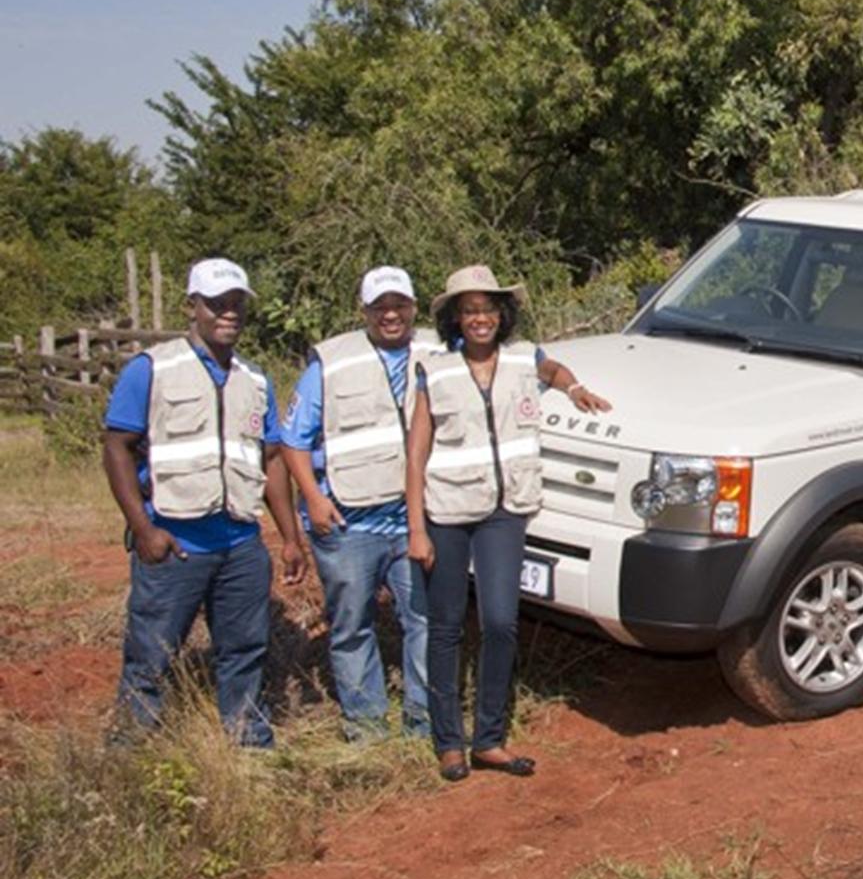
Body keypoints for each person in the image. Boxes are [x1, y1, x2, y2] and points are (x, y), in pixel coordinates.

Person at [404, 264, 610, 781]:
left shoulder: (523, 358)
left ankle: (489, 740)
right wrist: (416, 529)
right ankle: (449, 743)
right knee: (446, 627)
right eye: (469, 310)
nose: (480, 319)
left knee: (500, 622)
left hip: (504, 511)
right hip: (447, 513)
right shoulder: (435, 369)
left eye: (488, 309)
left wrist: (574, 387)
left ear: (502, 314)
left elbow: (552, 369)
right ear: (456, 318)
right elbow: (416, 453)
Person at [101, 257, 308, 746]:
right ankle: (131, 749)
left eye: (237, 304)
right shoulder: (152, 369)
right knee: (151, 654)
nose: (228, 313)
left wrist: (290, 537)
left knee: (244, 650)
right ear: (191, 306)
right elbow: (117, 447)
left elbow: (271, 459)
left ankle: (247, 742)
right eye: (216, 303)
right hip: (175, 543)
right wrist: (144, 529)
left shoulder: (254, 379)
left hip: (240, 543)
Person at [278, 266, 440, 741]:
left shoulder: (437, 351)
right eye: (379, 307)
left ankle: (423, 720)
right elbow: (293, 440)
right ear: (363, 311)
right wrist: (313, 499)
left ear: (414, 306)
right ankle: (365, 725)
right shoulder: (330, 363)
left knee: (424, 620)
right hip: (348, 523)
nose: (390, 315)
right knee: (351, 626)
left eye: (399, 305)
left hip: (414, 520)